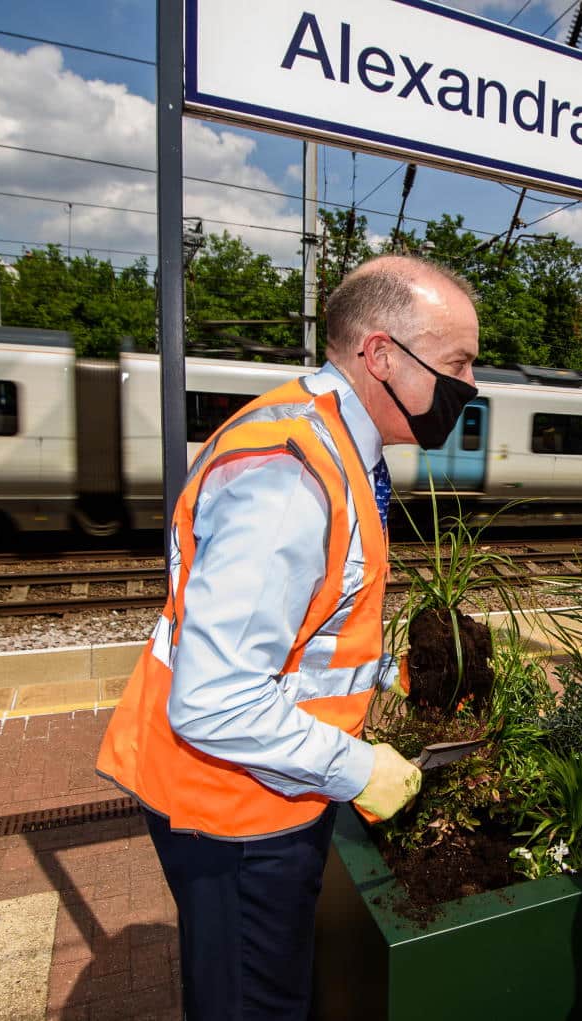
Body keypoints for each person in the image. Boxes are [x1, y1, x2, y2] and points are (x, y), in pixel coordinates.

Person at [96, 255, 480, 1019]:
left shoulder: (329, 439)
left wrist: (402, 675)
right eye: (457, 363)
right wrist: (356, 766)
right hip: (234, 809)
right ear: (381, 355)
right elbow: (212, 699)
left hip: (264, 789)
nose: (468, 386)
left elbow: (308, 634)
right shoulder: (291, 476)